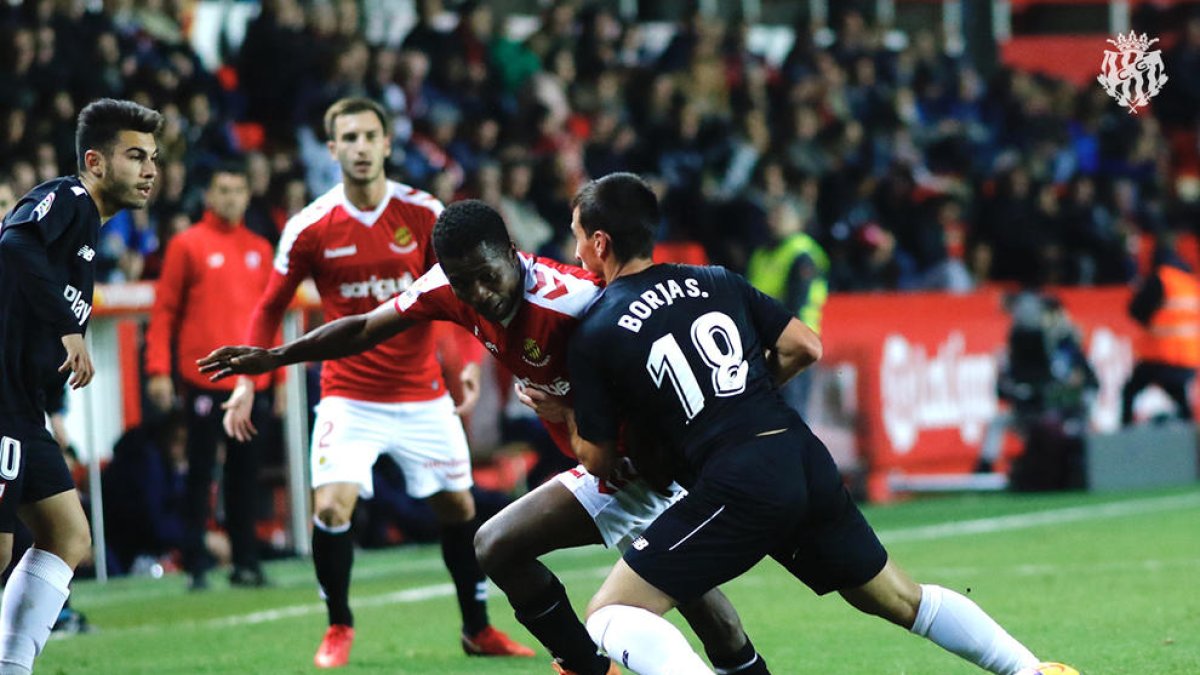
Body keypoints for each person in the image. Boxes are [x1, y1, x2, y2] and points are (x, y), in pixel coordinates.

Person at [197, 199, 770, 675]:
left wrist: (594, 417)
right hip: (600, 468)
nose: (478, 294)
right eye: (463, 282)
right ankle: (586, 666)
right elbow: (368, 326)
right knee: (498, 545)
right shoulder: (448, 285)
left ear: (513, 254)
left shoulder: (577, 300)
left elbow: (656, 372)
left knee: (703, 609)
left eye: (488, 276)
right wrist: (276, 356)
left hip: (648, 463)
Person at [554, 173, 1067, 675]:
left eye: (578, 238)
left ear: (601, 242)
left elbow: (598, 459)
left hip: (738, 479)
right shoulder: (715, 279)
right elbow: (806, 346)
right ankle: (1031, 670)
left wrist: (560, 414)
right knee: (900, 598)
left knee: (611, 613)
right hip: (799, 454)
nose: (576, 253)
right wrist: (746, 391)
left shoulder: (598, 327)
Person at [217, 98, 532, 668]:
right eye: (348, 138)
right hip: (348, 394)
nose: (360, 147)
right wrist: (247, 384)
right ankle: (338, 624)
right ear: (332, 148)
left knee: (459, 509)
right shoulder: (310, 226)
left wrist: (462, 357)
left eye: (369, 136)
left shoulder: (423, 212)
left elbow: (457, 292)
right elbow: (269, 307)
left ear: (387, 144)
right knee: (333, 508)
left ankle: (477, 628)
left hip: (421, 393)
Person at [0, 98, 161, 675]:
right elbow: (13, 241)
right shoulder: (67, 199)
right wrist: (71, 330)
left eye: (154, 158)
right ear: (94, 161)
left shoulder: (88, 237)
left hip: (22, 408)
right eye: (135, 156)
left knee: (68, 535)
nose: (150, 170)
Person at [144, 160, 277, 589]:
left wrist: (281, 375)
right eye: (223, 190)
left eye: (238, 190)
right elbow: (164, 311)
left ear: (247, 195)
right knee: (200, 473)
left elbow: (270, 319)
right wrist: (159, 370)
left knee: (245, 473)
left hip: (252, 382)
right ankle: (196, 561)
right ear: (208, 195)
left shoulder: (261, 248)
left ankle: (246, 561)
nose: (231, 198)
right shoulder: (187, 245)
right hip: (203, 379)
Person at [1121, 235, 1200, 426]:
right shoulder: (1189, 281)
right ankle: (1192, 442)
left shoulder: (1161, 278)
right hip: (1189, 358)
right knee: (1179, 398)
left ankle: (1125, 436)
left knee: (1130, 391)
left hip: (1162, 355)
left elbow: (1136, 310)